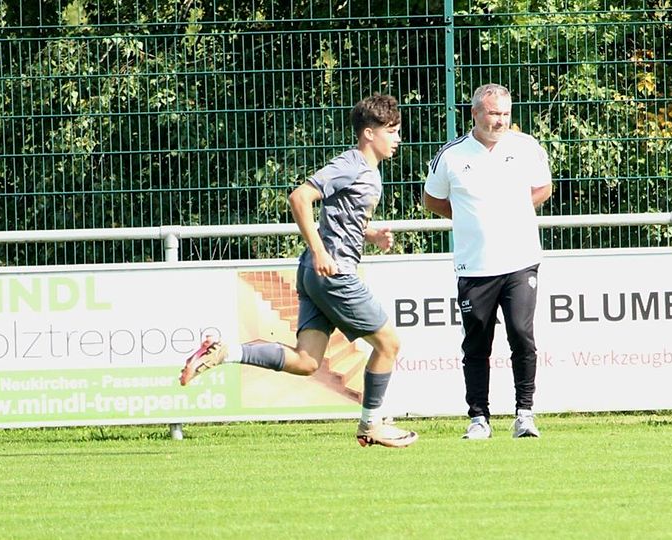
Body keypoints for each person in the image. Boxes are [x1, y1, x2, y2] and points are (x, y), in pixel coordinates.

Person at [180, 94, 417, 449]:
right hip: (333, 273)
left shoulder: (367, 171)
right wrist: (321, 251)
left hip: (315, 272)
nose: (398, 138)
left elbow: (342, 217)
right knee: (389, 344)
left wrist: (370, 234)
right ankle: (372, 424)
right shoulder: (351, 163)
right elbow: (299, 197)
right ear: (369, 133)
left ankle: (225, 352)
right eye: (392, 131)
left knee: (306, 361)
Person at [422, 83, 553, 439]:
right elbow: (432, 200)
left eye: (506, 114)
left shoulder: (526, 147)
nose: (500, 121)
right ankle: (479, 418)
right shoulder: (451, 155)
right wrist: (469, 218)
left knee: (522, 335)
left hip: (520, 261)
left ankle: (525, 414)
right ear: (475, 113)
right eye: (494, 113)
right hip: (474, 266)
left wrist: (514, 211)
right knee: (477, 343)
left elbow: (544, 187)